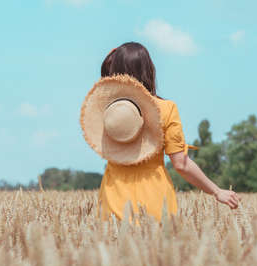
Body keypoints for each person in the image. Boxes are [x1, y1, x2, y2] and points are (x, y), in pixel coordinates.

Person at [80, 42, 240, 221]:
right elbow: (181, 164)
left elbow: (105, 81)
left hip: (113, 198)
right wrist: (217, 191)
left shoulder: (106, 110)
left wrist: (115, 61)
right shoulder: (166, 109)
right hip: (156, 201)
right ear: (149, 70)